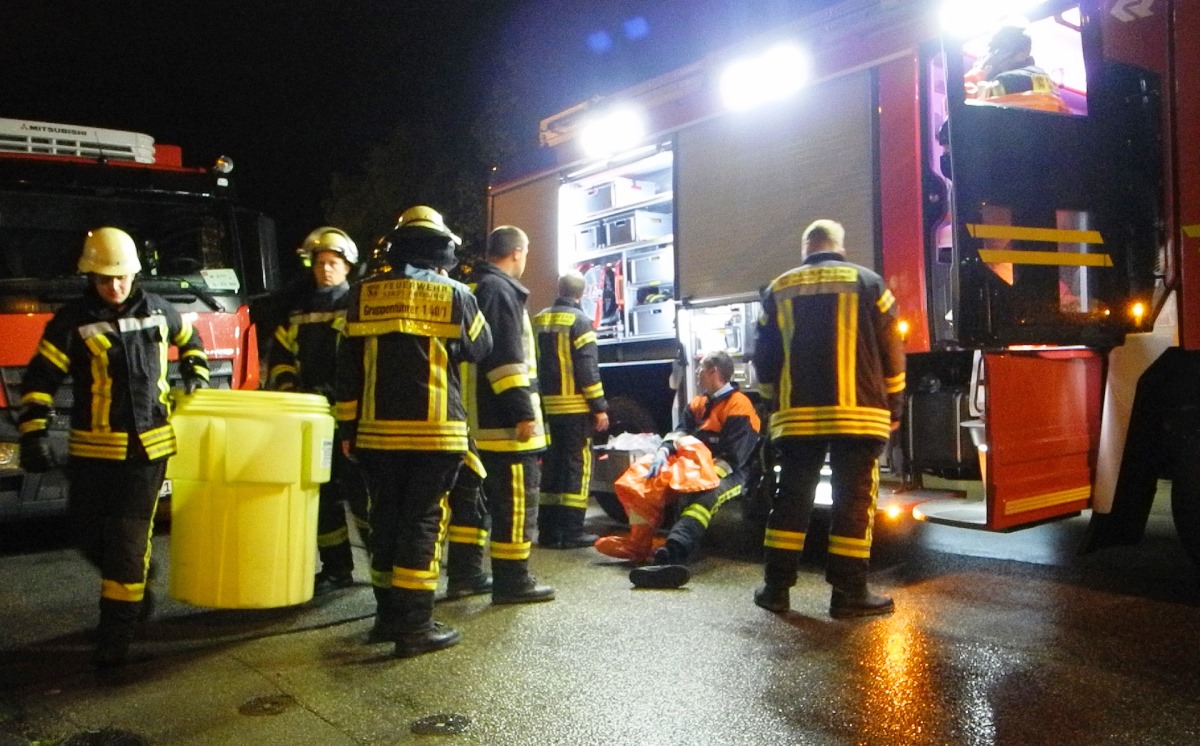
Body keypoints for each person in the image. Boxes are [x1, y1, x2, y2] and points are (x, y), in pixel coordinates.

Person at [18, 227, 210, 666]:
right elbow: (41, 381)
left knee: (125, 540)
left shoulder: (161, 312)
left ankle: (115, 638)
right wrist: (33, 431)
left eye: (121, 277)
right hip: (93, 451)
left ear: (135, 274)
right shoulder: (72, 321)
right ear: (90, 277)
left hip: (148, 450)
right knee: (87, 535)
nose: (115, 286)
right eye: (105, 279)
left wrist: (195, 374)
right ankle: (137, 580)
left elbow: (192, 343)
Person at [334, 206, 492, 658]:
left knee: (385, 520)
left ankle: (387, 619)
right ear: (440, 249)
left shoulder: (363, 294)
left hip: (375, 435)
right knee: (423, 522)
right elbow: (481, 347)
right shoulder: (457, 294)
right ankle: (416, 628)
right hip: (436, 434)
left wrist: (348, 426)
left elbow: (347, 367)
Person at [752, 219, 905, 619]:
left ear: (806, 248)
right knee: (853, 502)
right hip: (859, 415)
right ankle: (848, 593)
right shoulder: (871, 284)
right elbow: (893, 351)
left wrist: (771, 404)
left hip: (797, 418)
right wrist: (896, 406)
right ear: (840, 246)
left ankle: (775, 589)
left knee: (791, 499)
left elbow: (764, 361)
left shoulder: (778, 289)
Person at [448, 225, 555, 605]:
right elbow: (507, 358)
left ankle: (465, 576)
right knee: (515, 503)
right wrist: (522, 412)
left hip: (475, 421)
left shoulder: (476, 287)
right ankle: (513, 581)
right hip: (503, 424)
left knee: (473, 505)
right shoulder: (500, 290)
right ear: (518, 252)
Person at [595, 351, 760, 590]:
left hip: (729, 471)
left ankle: (672, 554)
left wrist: (698, 480)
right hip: (692, 466)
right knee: (641, 481)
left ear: (714, 372)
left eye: (700, 369)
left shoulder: (739, 407)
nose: (696, 373)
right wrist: (664, 451)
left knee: (703, 499)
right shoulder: (699, 403)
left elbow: (734, 458)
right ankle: (639, 546)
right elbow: (679, 433)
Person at [267, 226, 368, 594]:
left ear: (347, 267)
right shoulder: (298, 311)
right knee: (322, 495)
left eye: (333, 263)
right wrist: (289, 388)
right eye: (320, 263)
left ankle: (381, 568)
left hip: (349, 416)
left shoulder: (358, 305)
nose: (325, 269)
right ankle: (337, 568)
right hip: (311, 416)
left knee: (361, 494)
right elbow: (280, 356)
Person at [533, 271, 610, 549]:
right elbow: (587, 368)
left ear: (559, 289)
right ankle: (573, 531)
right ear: (581, 294)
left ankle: (548, 531)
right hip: (576, 409)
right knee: (577, 468)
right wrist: (599, 407)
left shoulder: (539, 320)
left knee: (552, 468)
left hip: (547, 408)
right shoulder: (580, 321)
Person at [966, 25, 1068, 113]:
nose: (993, 55)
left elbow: (962, 105)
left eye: (1000, 48)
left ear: (1023, 53)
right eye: (991, 50)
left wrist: (978, 73)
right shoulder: (1041, 78)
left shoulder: (1008, 80)